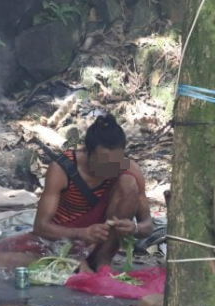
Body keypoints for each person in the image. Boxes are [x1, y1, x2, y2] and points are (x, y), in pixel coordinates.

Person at [32, 113, 152, 271]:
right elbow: (40, 227)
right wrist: (82, 233)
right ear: (87, 152)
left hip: (100, 243)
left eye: (115, 163)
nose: (110, 169)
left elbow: (148, 226)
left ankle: (102, 261)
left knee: (128, 183)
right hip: (62, 242)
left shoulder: (129, 169)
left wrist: (134, 228)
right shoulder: (62, 169)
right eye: (103, 163)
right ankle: (75, 261)